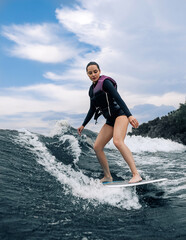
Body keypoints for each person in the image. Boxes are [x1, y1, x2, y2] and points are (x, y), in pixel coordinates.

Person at [77, 62, 142, 183]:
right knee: (97, 147)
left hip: (120, 114)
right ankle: (108, 176)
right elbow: (92, 109)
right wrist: (83, 125)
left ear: (99, 71)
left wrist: (129, 115)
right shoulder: (91, 90)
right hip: (110, 120)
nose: (93, 74)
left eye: (95, 71)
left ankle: (136, 174)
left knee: (117, 141)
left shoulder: (105, 82)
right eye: (90, 73)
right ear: (87, 74)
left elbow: (118, 97)